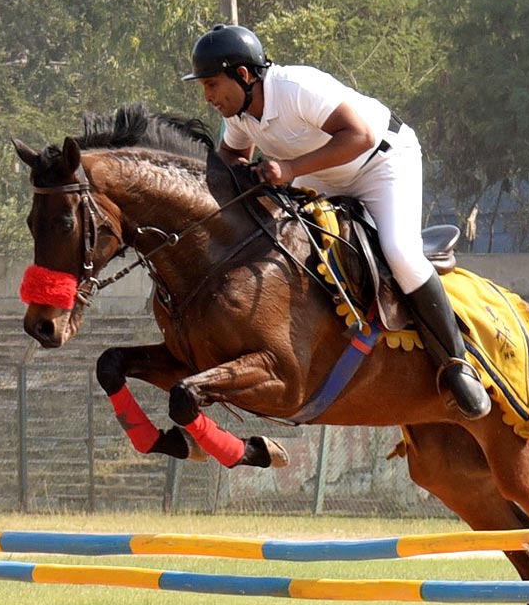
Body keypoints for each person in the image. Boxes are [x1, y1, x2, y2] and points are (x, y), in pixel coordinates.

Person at [182, 24, 490, 420]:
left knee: (400, 254)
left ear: (243, 75)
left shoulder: (296, 86)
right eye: (204, 87)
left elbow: (359, 135)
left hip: (379, 162)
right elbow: (231, 162)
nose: (208, 97)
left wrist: (290, 169)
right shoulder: (240, 114)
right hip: (322, 173)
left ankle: (456, 363)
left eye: (211, 84)